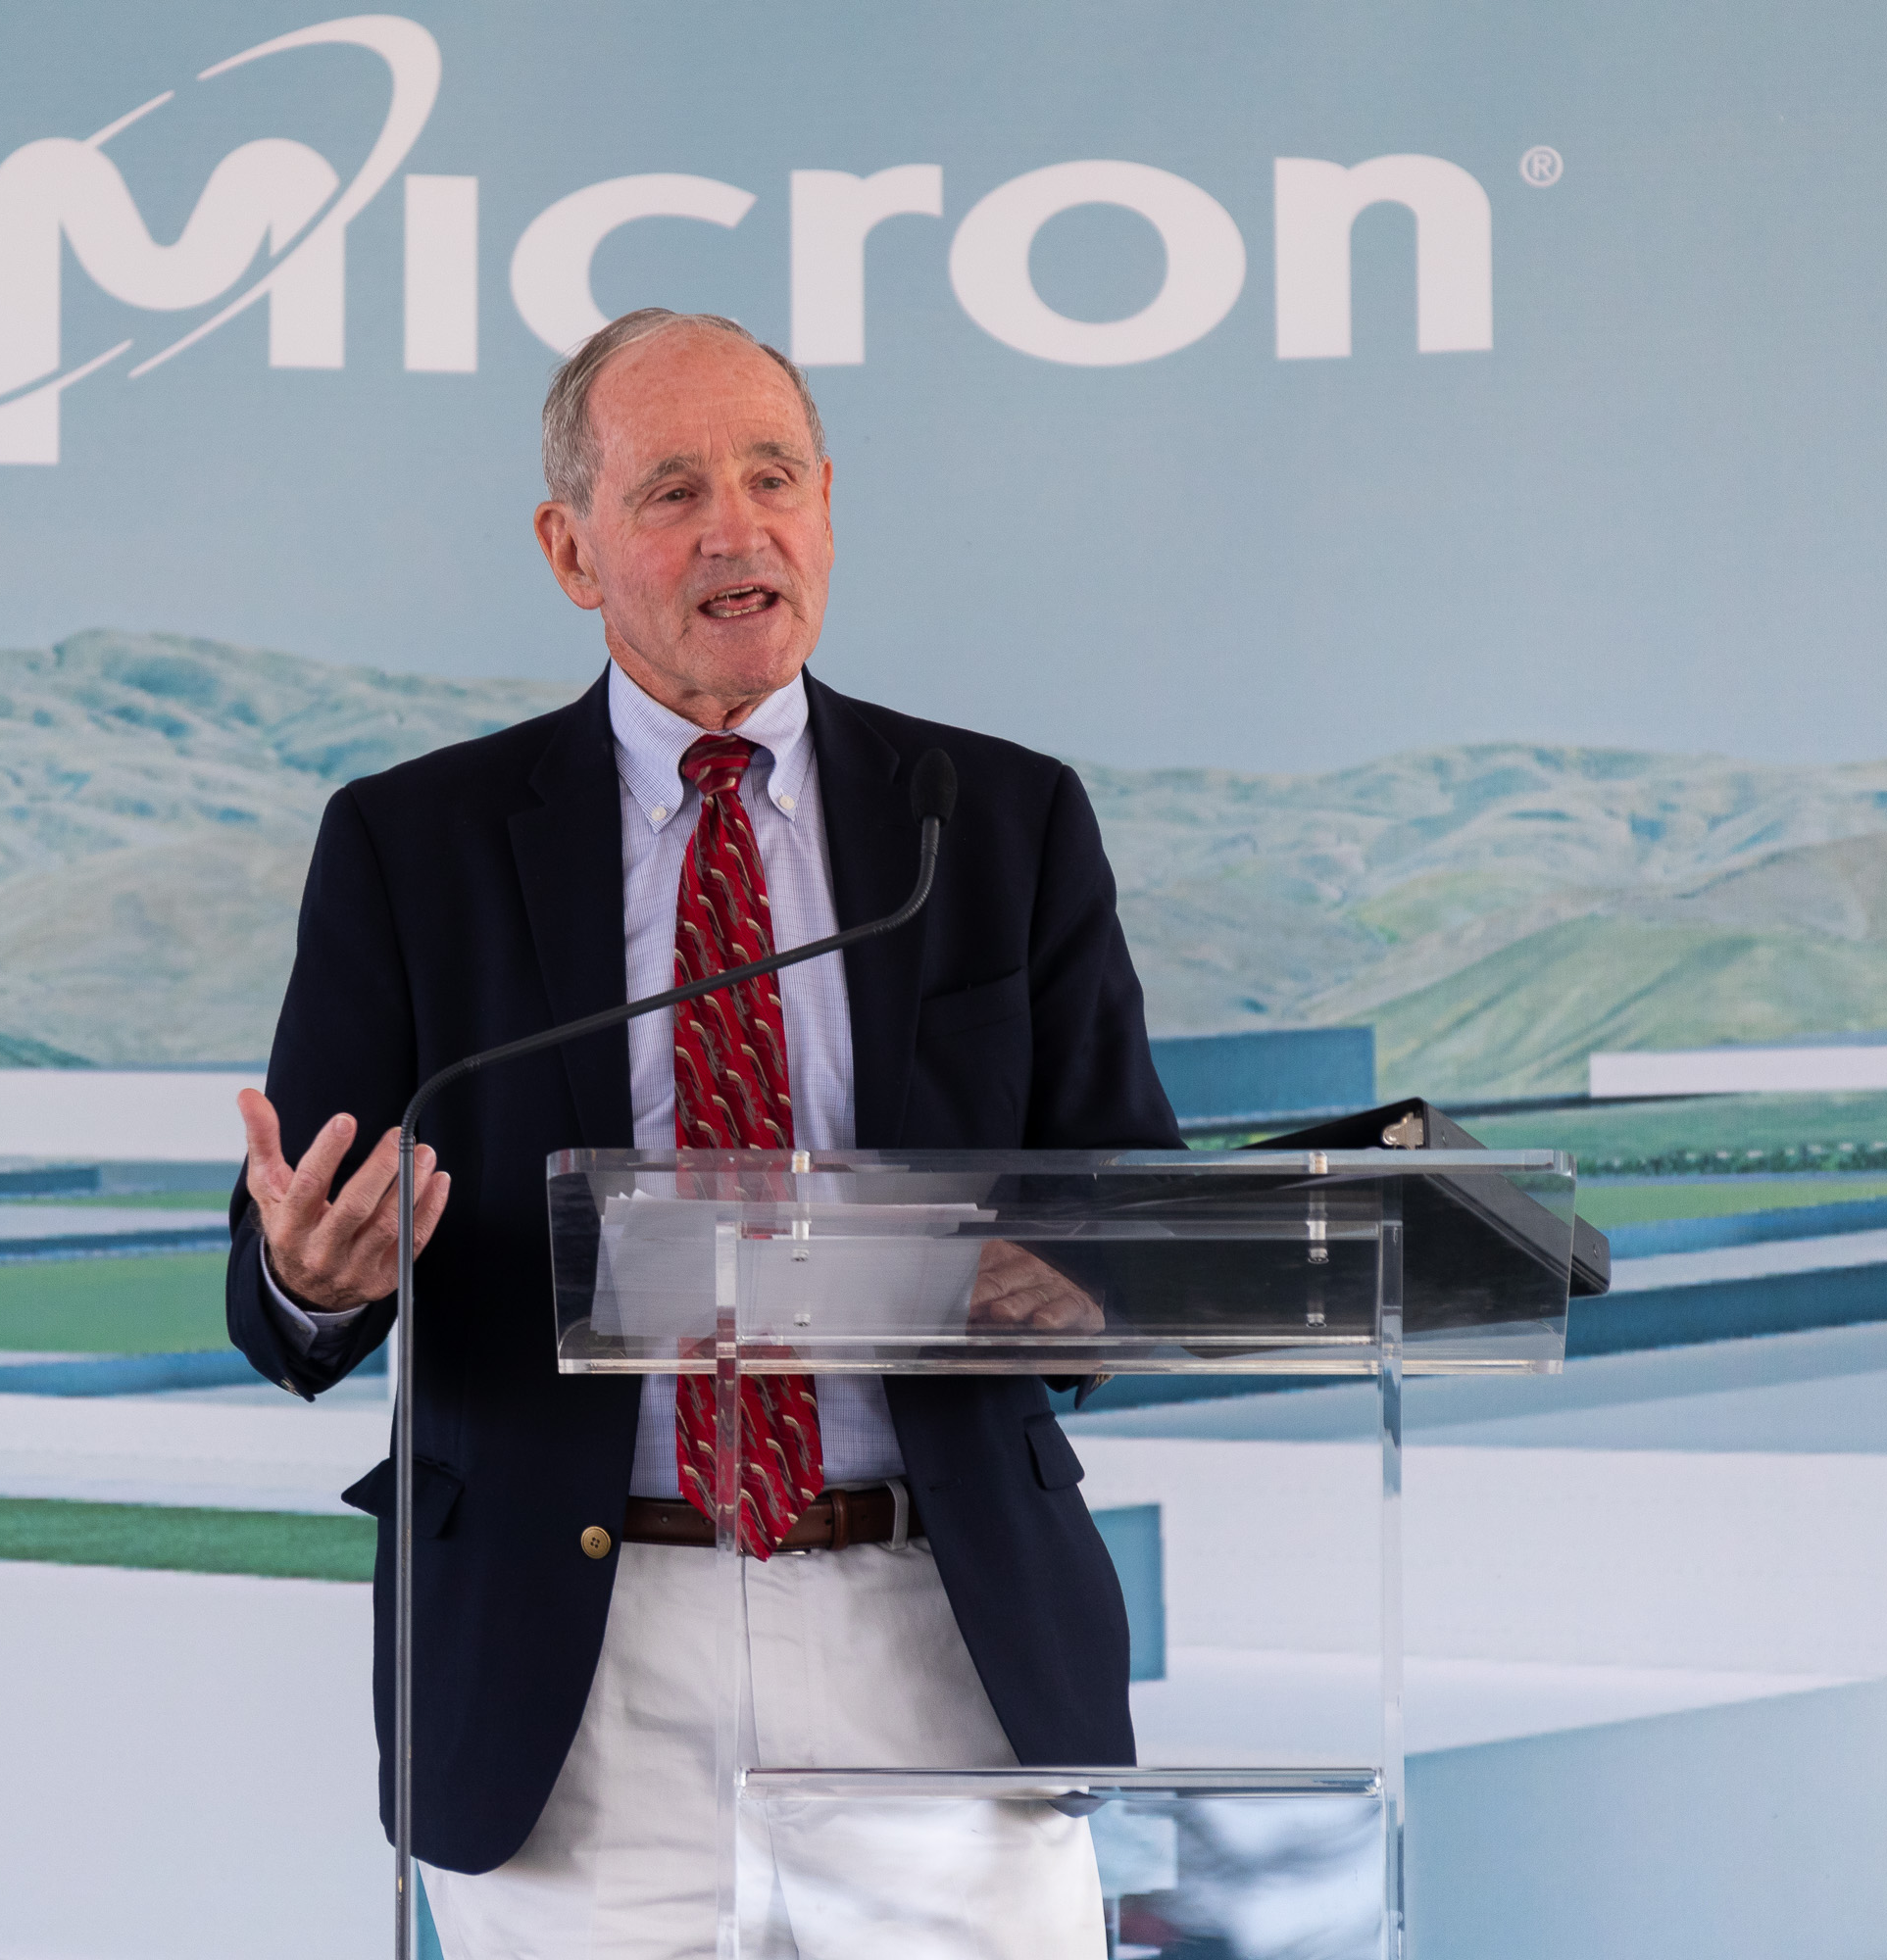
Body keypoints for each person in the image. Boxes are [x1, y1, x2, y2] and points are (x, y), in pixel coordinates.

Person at [225, 307, 1183, 1958]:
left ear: (829, 506)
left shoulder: (998, 820)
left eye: (773, 477)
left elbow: (1125, 1198)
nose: (739, 531)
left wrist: (1078, 1278)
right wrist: (314, 1276)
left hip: (938, 1644)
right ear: (570, 549)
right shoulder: (413, 846)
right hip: (578, 1669)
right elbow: (293, 1260)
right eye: (674, 491)